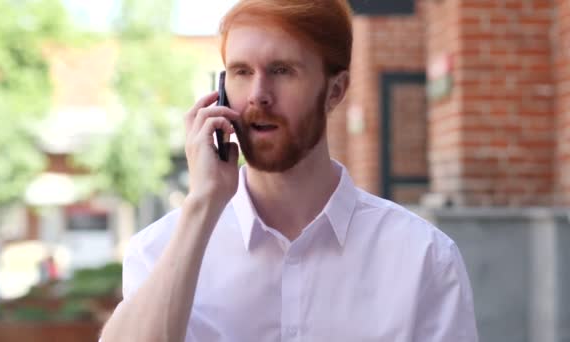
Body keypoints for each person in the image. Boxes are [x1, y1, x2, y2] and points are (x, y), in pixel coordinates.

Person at [100, 0, 479, 341]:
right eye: (241, 72)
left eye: (282, 70)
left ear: (335, 91)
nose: (258, 94)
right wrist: (202, 204)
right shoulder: (160, 249)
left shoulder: (422, 257)